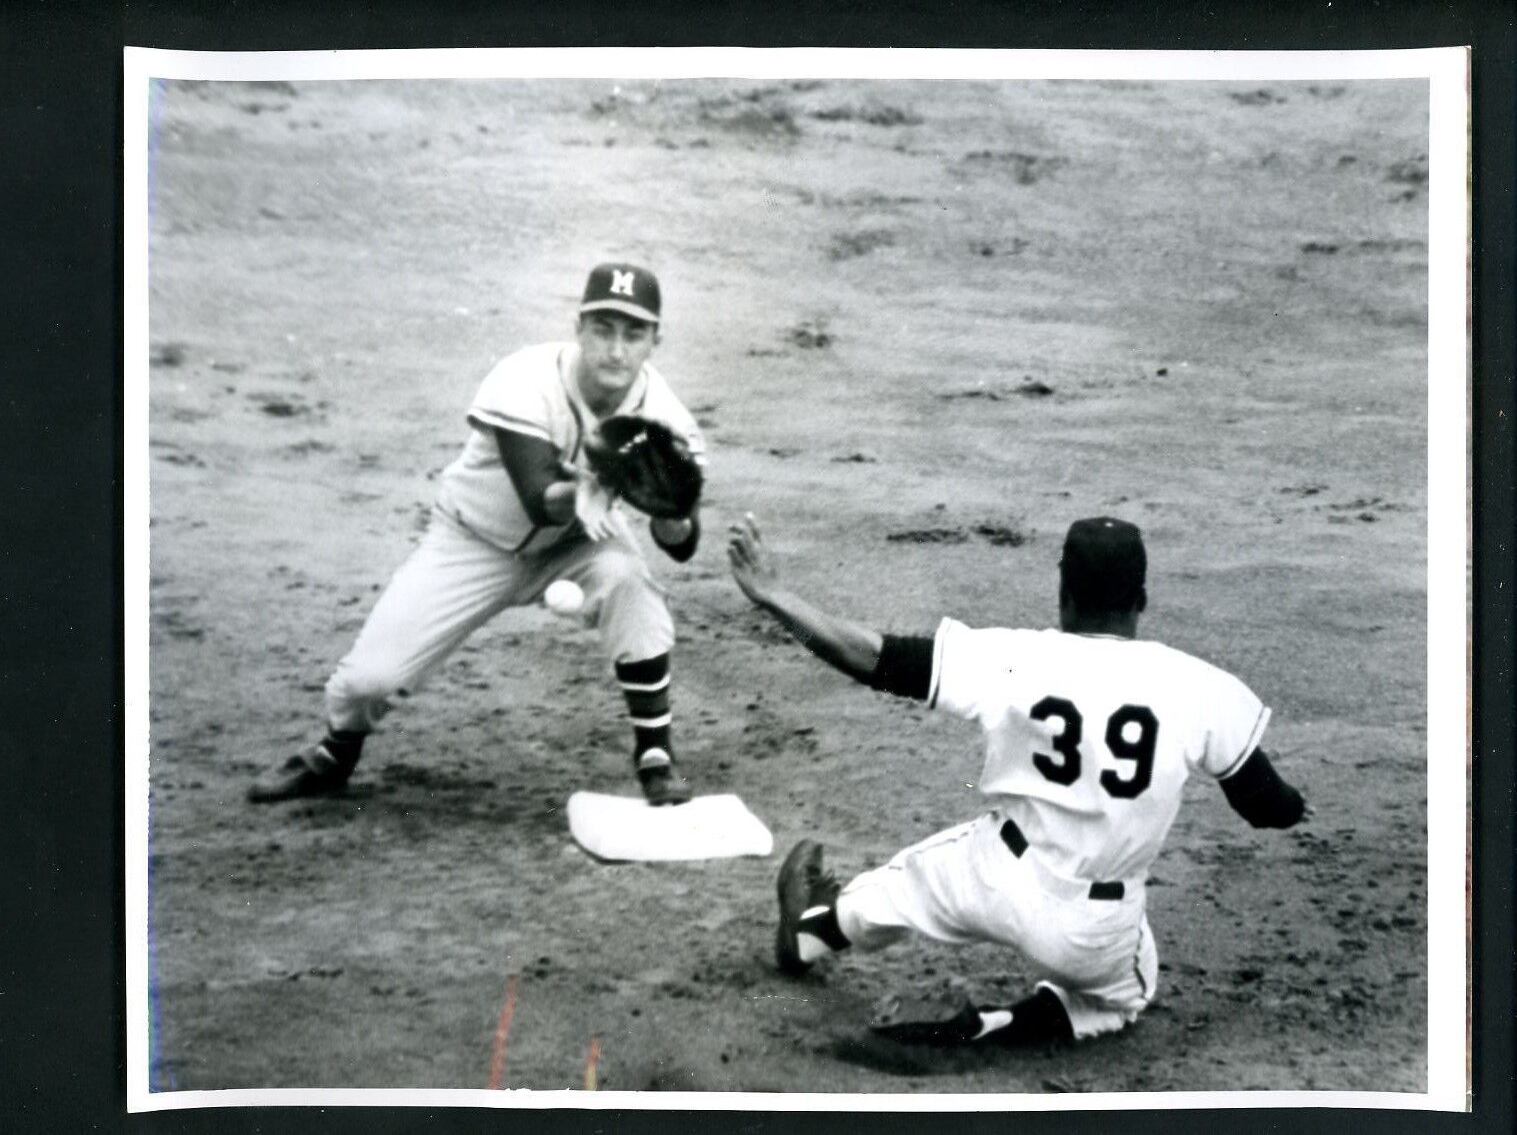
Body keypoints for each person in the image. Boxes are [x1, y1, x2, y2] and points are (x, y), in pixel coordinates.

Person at [727, 512, 1308, 1045]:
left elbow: (871, 659)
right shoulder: (1201, 687)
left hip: (992, 876)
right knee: (1126, 996)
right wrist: (1293, 804)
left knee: (907, 884)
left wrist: (774, 595)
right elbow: (1267, 808)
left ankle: (813, 933)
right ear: (1142, 599)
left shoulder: (1012, 657)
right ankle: (992, 1026)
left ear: (1065, 595)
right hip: (1093, 927)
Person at [249, 262, 705, 807]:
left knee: (630, 581)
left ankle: (656, 756)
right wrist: (588, 486)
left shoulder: (669, 419)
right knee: (368, 681)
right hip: (473, 541)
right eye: (603, 330)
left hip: (577, 549)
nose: (616, 350)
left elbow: (682, 543)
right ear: (580, 327)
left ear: (655, 341)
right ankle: (333, 754)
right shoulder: (525, 379)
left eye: (633, 334)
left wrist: (673, 517)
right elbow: (538, 497)